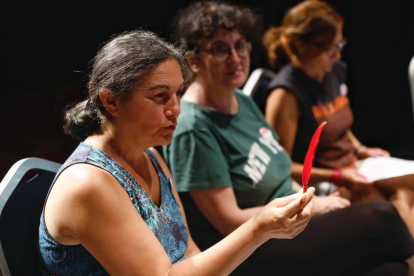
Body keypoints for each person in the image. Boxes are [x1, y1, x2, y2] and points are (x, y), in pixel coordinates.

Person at [163, 1, 414, 275]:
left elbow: (281, 170)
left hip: (294, 214)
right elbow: (229, 222)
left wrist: (310, 198)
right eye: (220, 49)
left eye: (240, 46)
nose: (236, 58)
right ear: (193, 60)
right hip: (257, 245)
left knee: (391, 269)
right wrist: (315, 207)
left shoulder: (242, 101)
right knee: (382, 216)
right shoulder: (193, 128)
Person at [38, 30, 316, 275]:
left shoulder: (151, 156)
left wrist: (262, 228)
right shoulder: (89, 184)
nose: (176, 109)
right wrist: (258, 228)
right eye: (160, 96)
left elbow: (190, 254)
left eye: (178, 94)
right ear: (111, 101)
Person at [260, 0, 414, 234]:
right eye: (331, 48)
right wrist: (340, 176)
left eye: (340, 44)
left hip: (356, 166)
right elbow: (281, 166)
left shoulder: (333, 71)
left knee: (407, 190)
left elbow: (338, 124)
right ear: (303, 46)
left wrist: (361, 148)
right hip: (327, 182)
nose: (338, 53)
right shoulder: (286, 95)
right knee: (394, 208)